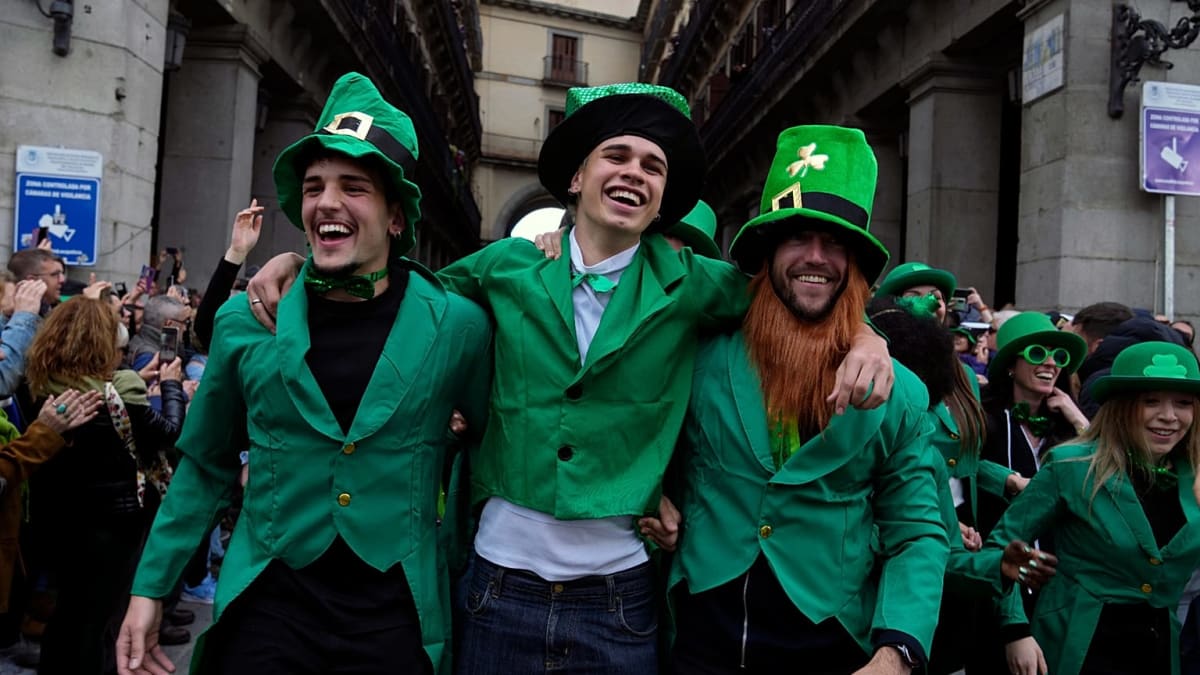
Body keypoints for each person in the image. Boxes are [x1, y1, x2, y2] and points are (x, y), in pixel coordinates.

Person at [245, 84, 894, 674]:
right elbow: (399, 297)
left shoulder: (695, 284)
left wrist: (865, 333)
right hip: (496, 590)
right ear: (578, 176)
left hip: (619, 604)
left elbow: (794, 294)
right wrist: (298, 265)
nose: (634, 172)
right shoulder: (506, 265)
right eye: (617, 155)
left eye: (653, 166)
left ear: (663, 198)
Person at [117, 72, 492, 675]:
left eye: (354, 186)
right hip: (268, 609)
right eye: (315, 186)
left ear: (396, 216)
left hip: (397, 617)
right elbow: (207, 462)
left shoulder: (458, 326)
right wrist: (150, 587)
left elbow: (488, 443)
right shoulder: (247, 319)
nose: (328, 202)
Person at [666, 125, 946, 674]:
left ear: (857, 265)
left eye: (836, 242)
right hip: (701, 638)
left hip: (831, 646)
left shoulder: (902, 393)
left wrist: (898, 653)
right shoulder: (699, 352)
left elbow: (918, 533)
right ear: (768, 250)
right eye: (797, 237)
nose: (816, 257)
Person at [977, 340, 1200, 675]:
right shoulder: (1072, 465)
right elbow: (1000, 549)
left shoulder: (1193, 477)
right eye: (1150, 401)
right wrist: (1015, 630)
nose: (1168, 417)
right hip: (1077, 645)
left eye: (1183, 403)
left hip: (1159, 651)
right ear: (1121, 407)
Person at [20, 297, 185, 675]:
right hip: (113, 525)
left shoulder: (39, 384)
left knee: (68, 613)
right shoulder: (122, 389)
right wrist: (172, 387)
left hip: (57, 519)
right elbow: (172, 434)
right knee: (100, 620)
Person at [7, 250, 64, 315]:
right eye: (55, 274)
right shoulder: (8, 316)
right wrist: (24, 315)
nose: (62, 279)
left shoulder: (61, 312)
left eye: (62, 273)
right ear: (31, 281)